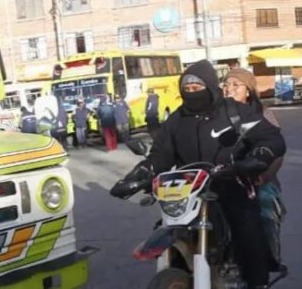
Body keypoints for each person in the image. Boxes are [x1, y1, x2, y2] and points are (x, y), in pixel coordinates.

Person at [113, 60, 286, 288]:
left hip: (230, 182)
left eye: (198, 88)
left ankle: (257, 282)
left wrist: (260, 154)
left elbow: (270, 136)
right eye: (188, 90)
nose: (193, 94)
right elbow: (160, 155)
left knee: (248, 228)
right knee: (164, 227)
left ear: (211, 86)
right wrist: (140, 173)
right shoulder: (176, 119)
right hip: (188, 190)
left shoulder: (233, 112)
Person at [223, 68, 285, 266]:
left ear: (248, 90)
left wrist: (263, 176)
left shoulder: (263, 114)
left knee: (263, 208)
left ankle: (268, 260)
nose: (229, 89)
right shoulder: (217, 114)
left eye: (235, 85)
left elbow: (276, 151)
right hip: (223, 177)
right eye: (225, 85)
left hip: (256, 178)